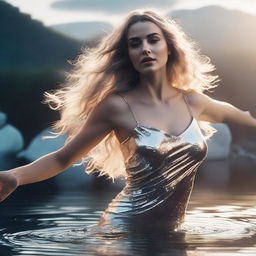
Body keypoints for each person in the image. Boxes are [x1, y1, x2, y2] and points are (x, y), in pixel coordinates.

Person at [0, 9, 255, 233]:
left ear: (170, 47)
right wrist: (14, 176)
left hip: (172, 234)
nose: (145, 48)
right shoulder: (116, 106)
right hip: (123, 231)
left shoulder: (194, 102)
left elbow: (241, 117)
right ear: (128, 55)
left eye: (153, 40)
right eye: (135, 43)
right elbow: (62, 158)